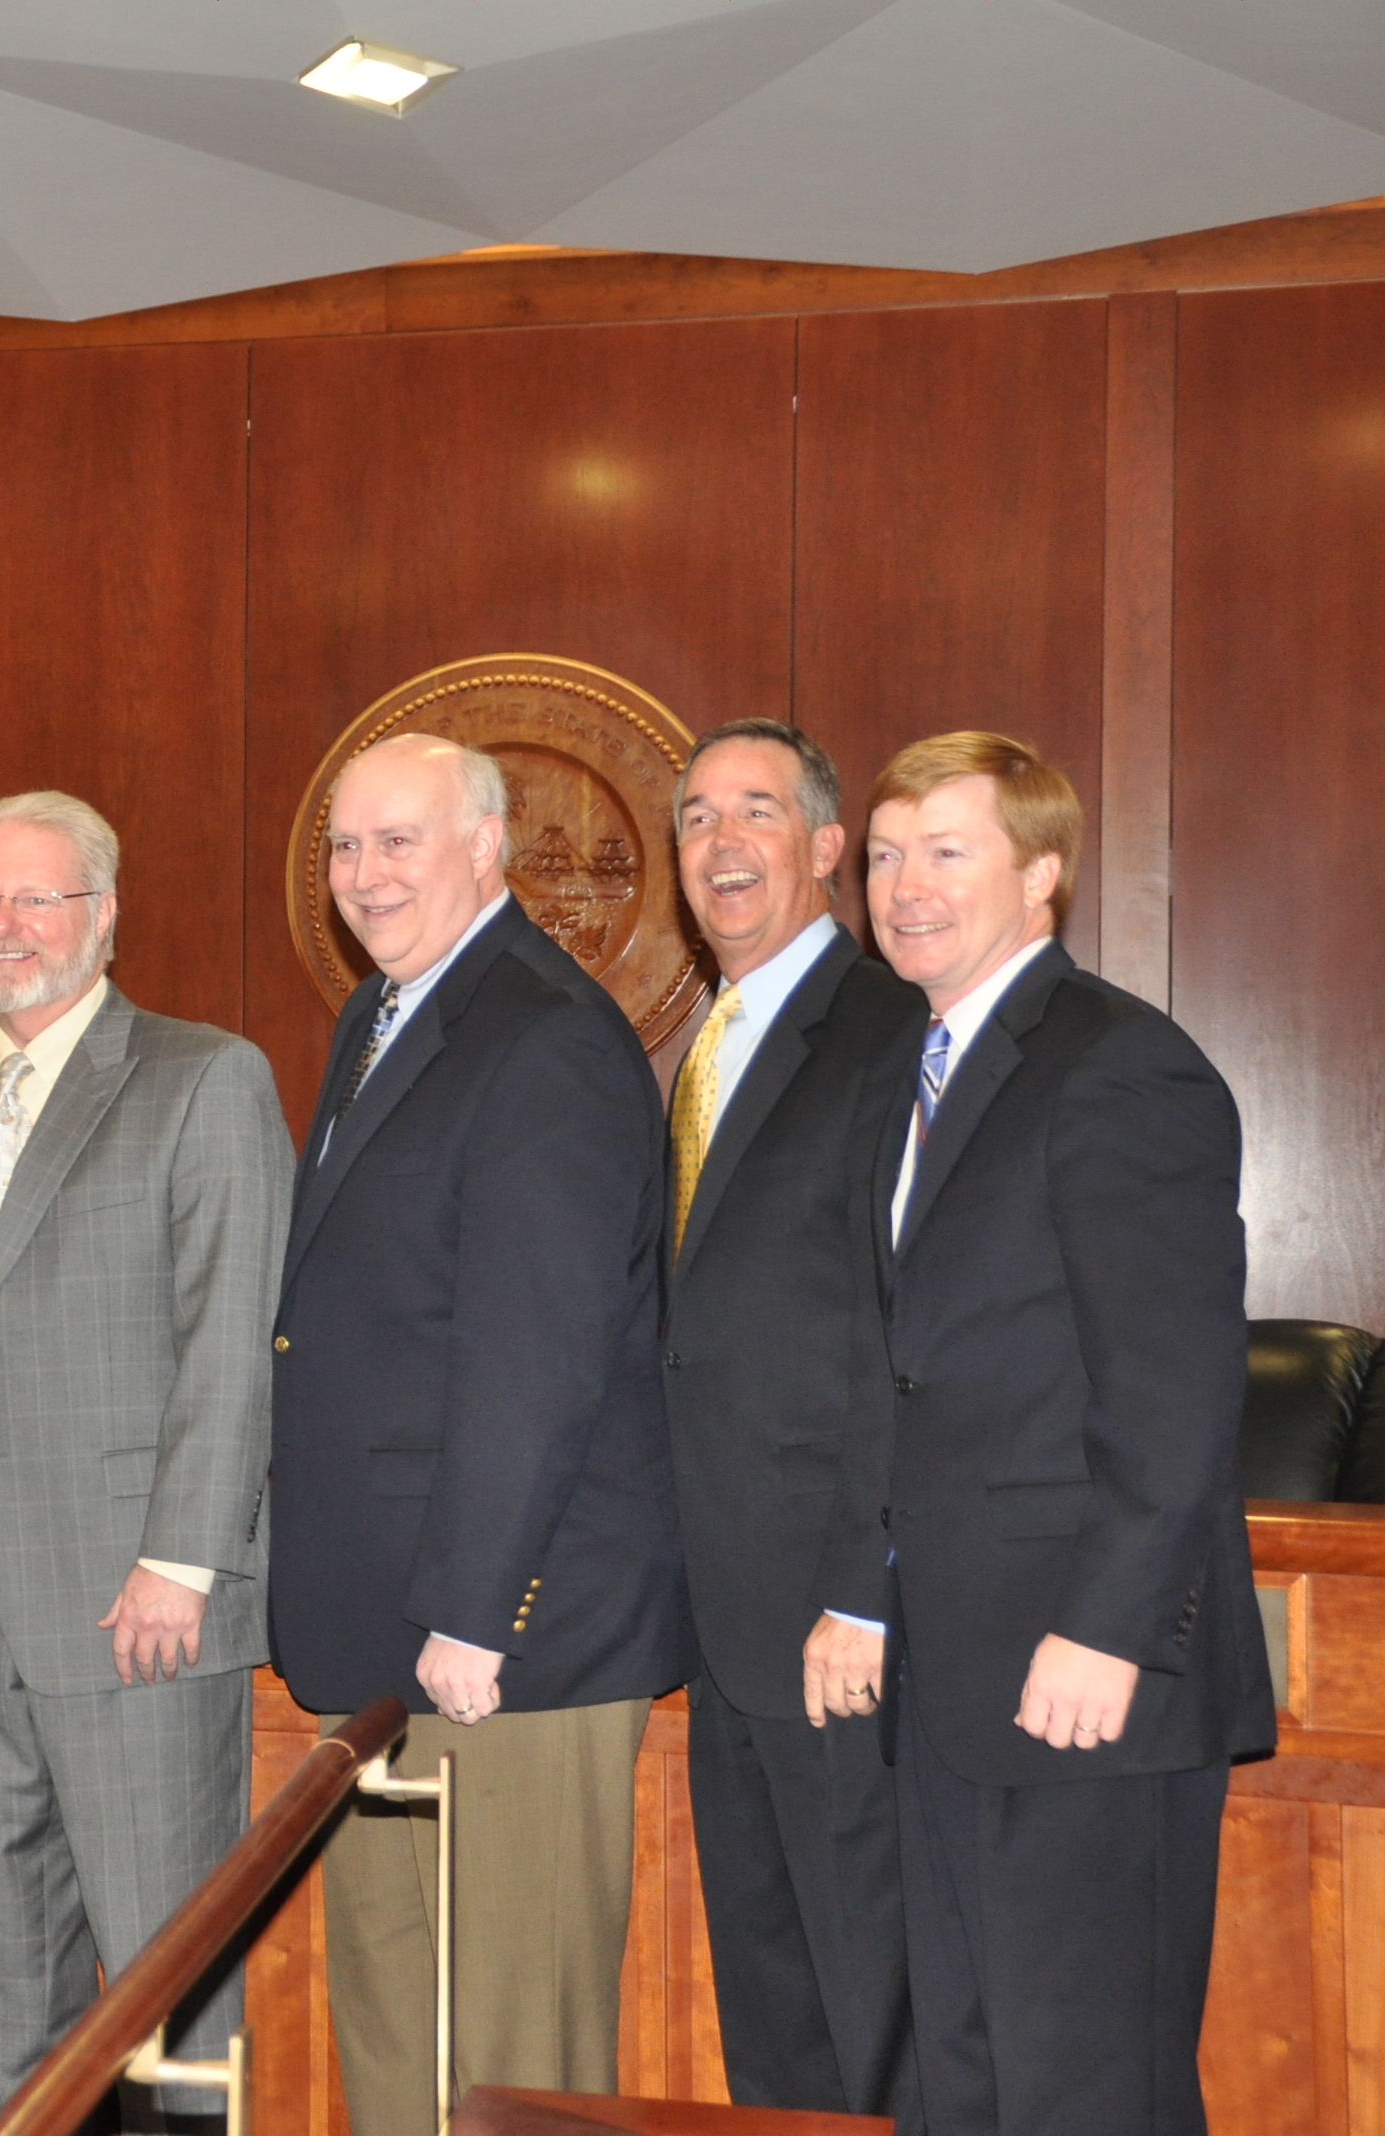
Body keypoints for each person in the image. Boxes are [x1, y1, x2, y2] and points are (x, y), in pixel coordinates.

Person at [818, 732, 1271, 2136]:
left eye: (946, 852)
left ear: (1044, 875)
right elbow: (908, 1374)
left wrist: (1111, 1628)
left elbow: (1175, 1388)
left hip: (1085, 1677)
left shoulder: (1121, 1066)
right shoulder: (916, 1069)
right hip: (950, 1677)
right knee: (965, 2073)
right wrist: (863, 1591)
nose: (904, 887)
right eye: (887, 856)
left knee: (1087, 2088)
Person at [266, 733, 692, 2136]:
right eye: (345, 845)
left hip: (507, 1644)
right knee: (399, 2026)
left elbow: (541, 1356)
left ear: (487, 846)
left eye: (400, 841)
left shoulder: (544, 1033)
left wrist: (473, 1611)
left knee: (511, 2058)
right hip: (390, 1631)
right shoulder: (386, 1014)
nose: (366, 874)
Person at [0, 791, 288, 2131]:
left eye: (34, 900)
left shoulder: (202, 1077)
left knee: (170, 1994)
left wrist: (183, 1560)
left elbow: (234, 1337)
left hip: (139, 1619)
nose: (2, 928)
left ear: (102, 918)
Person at [657, 722, 925, 2121]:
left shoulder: (890, 1034)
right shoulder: (718, 1039)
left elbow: (906, 1336)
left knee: (876, 2017)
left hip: (840, 1631)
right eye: (696, 819)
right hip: (725, 1622)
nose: (719, 845)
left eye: (754, 812)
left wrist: (860, 1588)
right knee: (771, 2019)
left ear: (828, 849)